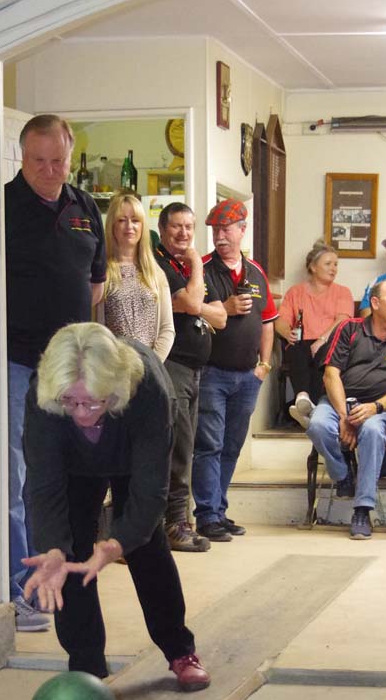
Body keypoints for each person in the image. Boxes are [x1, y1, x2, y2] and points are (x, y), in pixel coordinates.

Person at [21, 322, 210, 692]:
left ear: (114, 389)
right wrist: (52, 547)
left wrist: (116, 544)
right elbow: (43, 488)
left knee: (146, 545)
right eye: (70, 402)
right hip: (74, 462)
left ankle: (179, 650)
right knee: (67, 556)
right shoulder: (45, 395)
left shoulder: (147, 390)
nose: (81, 413)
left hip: (130, 447)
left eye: (92, 401)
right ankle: (86, 667)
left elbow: (150, 493)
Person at [5, 114, 106, 631]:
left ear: (70, 157)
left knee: (66, 477)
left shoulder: (85, 208)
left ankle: (63, 574)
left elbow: (95, 285)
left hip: (70, 373)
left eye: (58, 161)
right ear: (21, 156)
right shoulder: (0, 206)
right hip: (16, 363)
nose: (48, 170)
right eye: (37, 161)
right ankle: (20, 588)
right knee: (17, 479)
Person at [191, 199, 278, 542]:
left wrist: (264, 365)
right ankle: (207, 516)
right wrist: (223, 308)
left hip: (248, 376)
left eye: (226, 229)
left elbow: (268, 322)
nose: (220, 236)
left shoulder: (256, 272)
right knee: (209, 445)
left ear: (243, 230)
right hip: (212, 373)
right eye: (215, 230)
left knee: (231, 446)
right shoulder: (202, 268)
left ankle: (219, 510)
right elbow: (190, 312)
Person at [307, 280, 386, 540]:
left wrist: (376, 407)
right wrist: (345, 417)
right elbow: (331, 375)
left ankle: (362, 510)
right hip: (339, 401)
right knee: (318, 425)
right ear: (375, 303)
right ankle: (343, 475)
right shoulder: (349, 329)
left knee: (373, 432)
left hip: (377, 408)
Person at [154, 202, 227, 553]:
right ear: (162, 229)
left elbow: (221, 317)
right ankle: (174, 525)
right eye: (176, 226)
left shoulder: (183, 268)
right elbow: (196, 305)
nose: (184, 234)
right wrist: (198, 262)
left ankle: (180, 520)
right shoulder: (160, 264)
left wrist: (198, 302)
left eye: (189, 227)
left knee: (188, 446)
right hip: (172, 367)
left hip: (196, 372)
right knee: (177, 450)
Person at [274, 240, 354, 430]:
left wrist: (322, 339)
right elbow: (280, 321)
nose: (333, 269)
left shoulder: (342, 292)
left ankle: (309, 410)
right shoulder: (295, 292)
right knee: (296, 347)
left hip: (330, 343)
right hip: (301, 345)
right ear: (313, 267)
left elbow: (343, 320)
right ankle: (303, 397)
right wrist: (287, 332)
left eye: (336, 264)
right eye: (328, 264)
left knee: (324, 354)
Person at [100, 193, 174, 361]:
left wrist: (152, 364)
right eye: (122, 220)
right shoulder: (102, 272)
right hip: (114, 367)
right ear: (112, 225)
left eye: (135, 220)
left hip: (150, 366)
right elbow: (96, 329)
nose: (129, 226)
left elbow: (167, 328)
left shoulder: (156, 273)